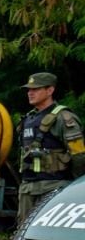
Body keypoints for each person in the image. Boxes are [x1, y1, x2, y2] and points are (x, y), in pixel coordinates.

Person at [16, 71, 85, 221]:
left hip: (53, 188)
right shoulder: (28, 119)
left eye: (36, 89)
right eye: (29, 89)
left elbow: (79, 155)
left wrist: (75, 186)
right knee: (23, 235)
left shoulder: (63, 118)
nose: (30, 93)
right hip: (28, 189)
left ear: (50, 90)